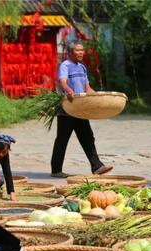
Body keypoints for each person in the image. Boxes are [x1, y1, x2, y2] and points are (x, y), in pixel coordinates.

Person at [50, 41, 112, 178]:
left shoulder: (82, 68)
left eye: (82, 50)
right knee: (62, 139)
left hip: (81, 110)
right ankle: (56, 170)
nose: (81, 53)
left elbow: (87, 88)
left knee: (88, 137)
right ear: (71, 52)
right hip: (67, 110)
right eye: (78, 50)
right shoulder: (65, 66)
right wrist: (68, 90)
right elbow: (63, 82)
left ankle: (97, 166)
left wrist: (99, 97)